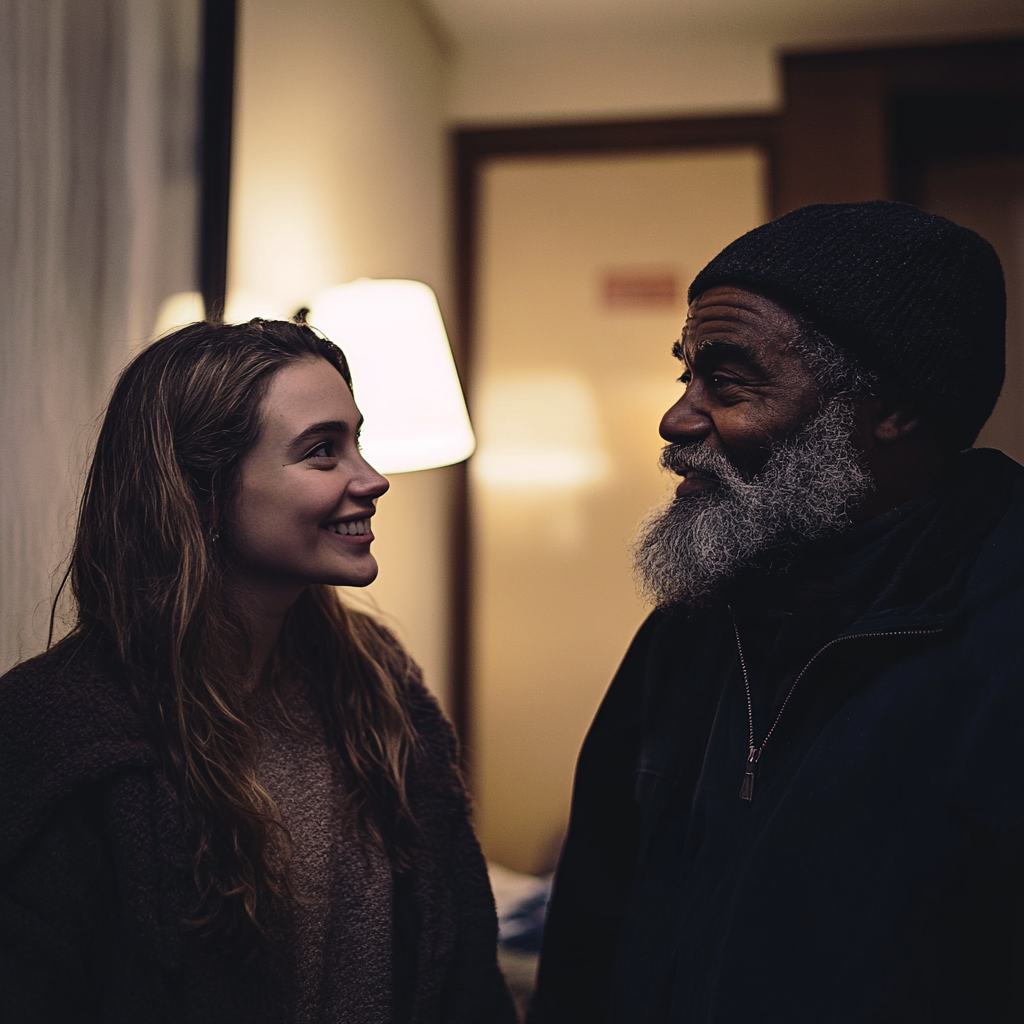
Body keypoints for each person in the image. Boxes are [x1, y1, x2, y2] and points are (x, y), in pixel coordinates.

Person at [529, 201, 1024, 1023]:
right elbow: (590, 939)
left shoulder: (1000, 643)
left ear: (893, 407)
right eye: (685, 374)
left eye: (727, 381)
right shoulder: (688, 627)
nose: (677, 417)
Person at [0, 319, 517, 1024]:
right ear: (203, 492)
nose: (373, 479)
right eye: (321, 452)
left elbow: (460, 971)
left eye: (357, 442)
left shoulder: (380, 686)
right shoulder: (59, 731)